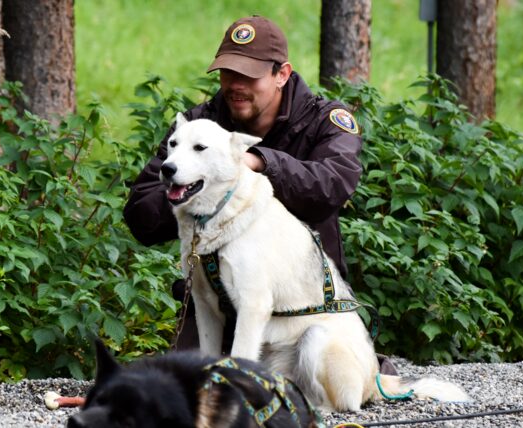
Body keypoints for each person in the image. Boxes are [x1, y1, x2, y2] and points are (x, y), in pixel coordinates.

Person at [122, 15, 395, 375]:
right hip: (215, 300)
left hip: (298, 306)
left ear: (282, 74)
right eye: (227, 73)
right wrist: (199, 188)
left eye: (249, 76)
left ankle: (362, 369)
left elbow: (332, 184)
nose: (235, 86)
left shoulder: (326, 122)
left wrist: (258, 163)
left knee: (316, 370)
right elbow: (142, 215)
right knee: (182, 391)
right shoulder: (198, 128)